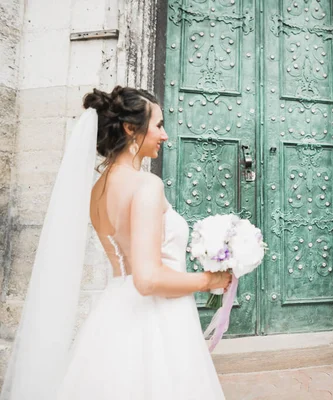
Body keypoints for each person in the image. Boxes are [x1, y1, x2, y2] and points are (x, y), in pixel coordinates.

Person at [1, 86, 231, 400]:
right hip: (157, 319)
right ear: (130, 128)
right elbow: (148, 279)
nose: (164, 136)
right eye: (159, 126)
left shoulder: (97, 190)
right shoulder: (147, 185)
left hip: (114, 314)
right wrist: (212, 280)